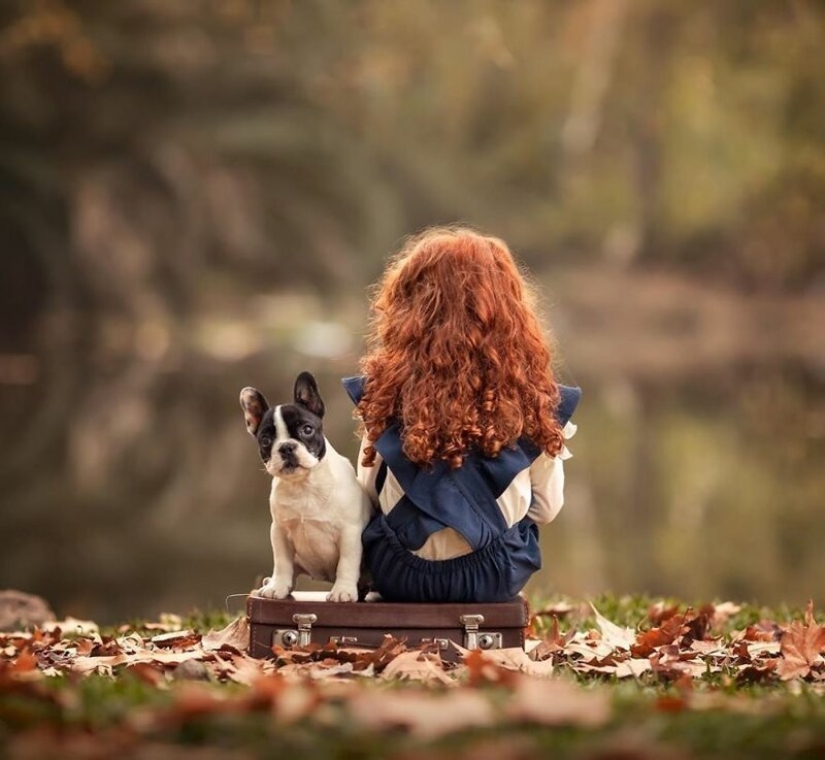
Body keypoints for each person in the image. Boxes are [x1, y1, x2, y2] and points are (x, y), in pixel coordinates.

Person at [342, 227, 580, 603]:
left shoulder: (386, 390)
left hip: (399, 575)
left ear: (410, 308)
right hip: (493, 576)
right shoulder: (531, 397)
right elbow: (547, 509)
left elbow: (368, 494)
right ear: (509, 311)